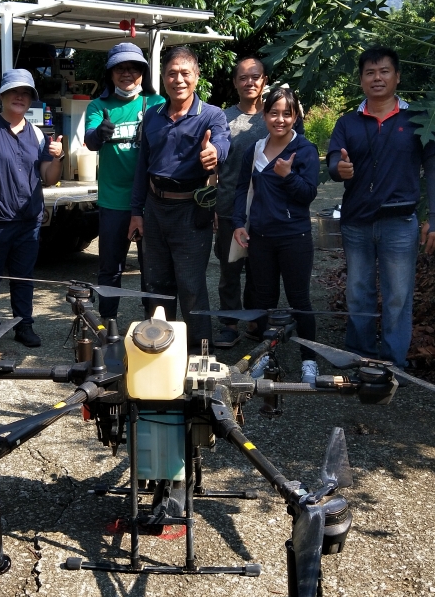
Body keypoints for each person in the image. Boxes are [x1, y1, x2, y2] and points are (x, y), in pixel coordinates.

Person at [327, 46, 435, 369]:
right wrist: (340, 168)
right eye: (369, 72)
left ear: (397, 77)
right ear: (361, 80)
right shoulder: (348, 122)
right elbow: (334, 161)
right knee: (358, 293)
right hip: (356, 222)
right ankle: (361, 359)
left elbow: (434, 171)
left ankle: (394, 365)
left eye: (384, 71)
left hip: (400, 222)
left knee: (398, 296)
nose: (376, 78)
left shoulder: (420, 119)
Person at [128, 46, 230, 350]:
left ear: (196, 76)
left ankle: (200, 353)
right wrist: (136, 212)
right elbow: (142, 168)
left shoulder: (211, 114)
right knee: (156, 285)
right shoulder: (152, 116)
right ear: (163, 78)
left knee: (191, 285)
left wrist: (215, 153)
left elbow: (222, 142)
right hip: (155, 208)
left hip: (191, 209)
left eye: (185, 73)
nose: (179, 80)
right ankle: (159, 349)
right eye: (172, 73)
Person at [232, 87, 320, 383]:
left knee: (299, 300)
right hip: (260, 237)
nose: (279, 119)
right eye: (273, 113)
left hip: (295, 237)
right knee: (264, 300)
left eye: (286, 114)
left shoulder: (304, 150)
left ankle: (309, 360)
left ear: (295, 117)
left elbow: (308, 194)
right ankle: (265, 357)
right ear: (264, 115)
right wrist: (238, 223)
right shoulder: (254, 150)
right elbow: (241, 189)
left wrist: (288, 176)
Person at [0, 69, 64, 347]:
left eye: (25, 93)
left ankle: (24, 326)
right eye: (14, 91)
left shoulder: (37, 134)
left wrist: (58, 158)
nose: (19, 97)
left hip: (29, 220)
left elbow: (49, 177)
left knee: (23, 277)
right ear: (2, 95)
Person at [84, 43, 165, 324]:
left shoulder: (156, 103)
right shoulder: (98, 106)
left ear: (143, 73)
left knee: (151, 268)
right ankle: (107, 322)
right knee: (110, 267)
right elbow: (90, 139)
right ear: (110, 73)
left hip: (149, 201)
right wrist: (100, 134)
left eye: (133, 68)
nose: (127, 73)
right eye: (120, 68)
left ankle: (152, 325)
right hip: (113, 201)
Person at [213, 55, 270, 348]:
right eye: (243, 77)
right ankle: (229, 323)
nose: (249, 82)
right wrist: (211, 206)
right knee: (230, 269)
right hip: (227, 206)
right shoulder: (222, 119)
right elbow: (213, 167)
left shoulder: (274, 116)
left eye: (255, 76)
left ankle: (255, 321)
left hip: (265, 208)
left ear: (264, 81)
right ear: (235, 82)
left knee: (260, 269)